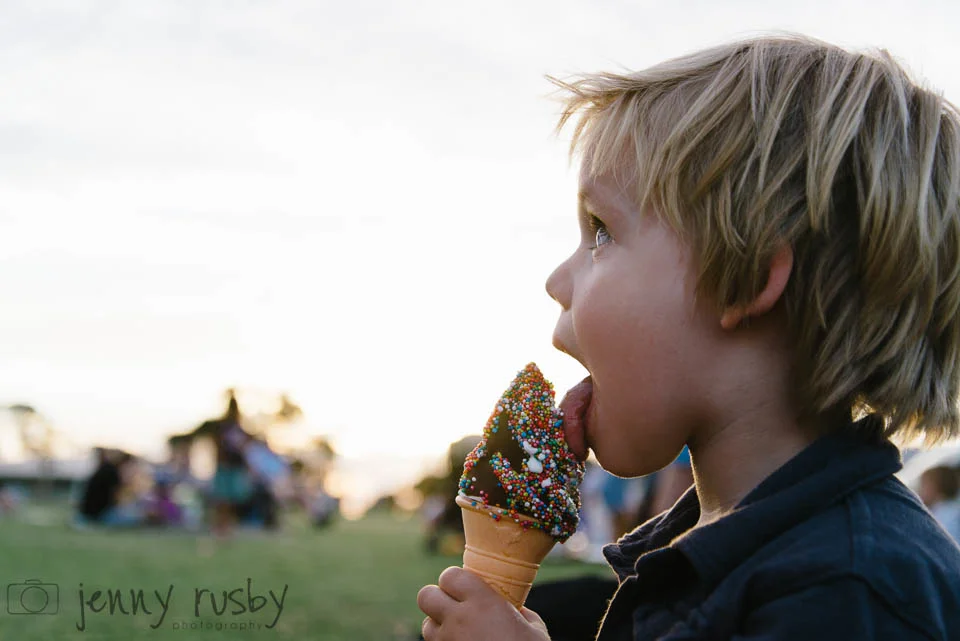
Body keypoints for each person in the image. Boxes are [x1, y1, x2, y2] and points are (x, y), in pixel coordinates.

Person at [418, 34, 960, 640]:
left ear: (744, 278)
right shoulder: (707, 544)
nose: (556, 280)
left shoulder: (849, 592)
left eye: (600, 231)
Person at [918, 465, 960, 543]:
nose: (920, 491)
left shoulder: (948, 514)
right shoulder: (939, 510)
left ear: (937, 486)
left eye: (924, 485)